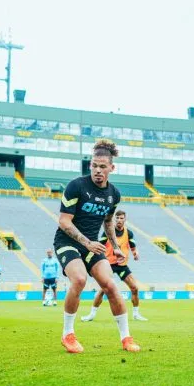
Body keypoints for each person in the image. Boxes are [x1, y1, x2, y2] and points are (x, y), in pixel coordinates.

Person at [54, 139, 140, 353]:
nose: (97, 170)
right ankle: (68, 334)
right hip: (68, 242)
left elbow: (108, 221)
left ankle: (126, 338)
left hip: (92, 246)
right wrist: (87, 243)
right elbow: (64, 221)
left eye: (103, 166)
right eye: (94, 165)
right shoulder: (76, 186)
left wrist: (116, 247)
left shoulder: (114, 194)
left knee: (110, 285)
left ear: (112, 168)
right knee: (80, 279)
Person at [81, 209, 147, 322]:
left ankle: (136, 314)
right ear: (114, 219)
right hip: (108, 265)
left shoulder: (129, 233)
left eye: (121, 218)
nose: (119, 220)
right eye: (117, 218)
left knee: (135, 288)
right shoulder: (107, 232)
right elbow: (100, 246)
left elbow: (133, 247)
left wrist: (135, 254)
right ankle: (91, 314)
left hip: (122, 265)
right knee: (103, 290)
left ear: (125, 220)